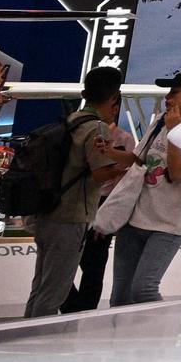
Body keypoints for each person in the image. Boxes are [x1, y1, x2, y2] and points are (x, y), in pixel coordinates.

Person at [18, 66, 132, 319]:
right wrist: (129, 168)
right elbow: (100, 173)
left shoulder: (70, 121)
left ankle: (27, 336)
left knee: (41, 286)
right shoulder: (97, 128)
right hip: (70, 217)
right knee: (54, 292)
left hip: (48, 212)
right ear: (114, 98)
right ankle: (38, 345)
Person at [112, 65, 181, 305]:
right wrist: (107, 152)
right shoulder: (160, 122)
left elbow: (179, 172)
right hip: (135, 218)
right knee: (120, 297)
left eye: (174, 93)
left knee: (143, 289)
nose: (168, 98)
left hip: (169, 225)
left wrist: (174, 133)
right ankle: (124, 341)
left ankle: (163, 335)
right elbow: (138, 158)